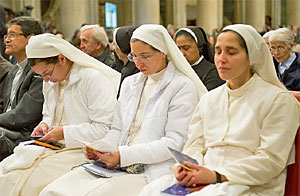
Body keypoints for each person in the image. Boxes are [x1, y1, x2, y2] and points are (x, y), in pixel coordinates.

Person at [39, 24, 207, 196]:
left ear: (163, 52)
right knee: (55, 189)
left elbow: (174, 143)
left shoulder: (181, 86)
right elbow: (118, 130)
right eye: (134, 56)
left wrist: (124, 155)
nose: (139, 63)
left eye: (145, 56)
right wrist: (100, 148)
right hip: (117, 164)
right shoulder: (130, 83)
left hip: (151, 169)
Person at [139, 24, 300, 196]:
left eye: (231, 52)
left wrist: (217, 176)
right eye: (218, 52)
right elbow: (195, 145)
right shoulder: (209, 99)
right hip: (205, 178)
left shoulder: (278, 100)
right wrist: (188, 168)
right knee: (151, 190)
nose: (221, 59)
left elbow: (271, 160)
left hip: (251, 185)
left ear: (251, 57)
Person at [0, 33, 120, 196]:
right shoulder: (50, 81)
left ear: (62, 59)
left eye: (48, 73)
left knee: (32, 184)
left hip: (81, 150)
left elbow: (106, 129)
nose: (47, 80)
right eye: (42, 75)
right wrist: (44, 126)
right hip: (52, 148)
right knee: (7, 174)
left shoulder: (92, 79)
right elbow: (48, 115)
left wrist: (64, 133)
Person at [0, 16, 44, 161]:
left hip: (24, 135)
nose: (6, 40)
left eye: (12, 35)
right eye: (6, 35)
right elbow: (4, 106)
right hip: (7, 130)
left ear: (31, 39)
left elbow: (23, 115)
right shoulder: (13, 71)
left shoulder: (40, 71)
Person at [174, 26, 224, 91]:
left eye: (186, 48)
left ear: (199, 47)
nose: (182, 53)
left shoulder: (212, 73)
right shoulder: (174, 70)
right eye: (178, 49)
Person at [112, 26, 140, 95]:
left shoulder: (131, 71)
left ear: (122, 47)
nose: (114, 49)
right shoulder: (119, 66)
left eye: (115, 45)